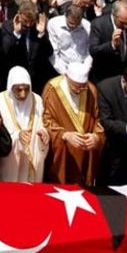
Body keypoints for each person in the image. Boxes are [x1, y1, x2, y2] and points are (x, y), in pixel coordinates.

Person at [41, 58, 106, 186]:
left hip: (85, 152)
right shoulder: (52, 89)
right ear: (66, 78)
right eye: (75, 87)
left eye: (82, 88)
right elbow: (45, 120)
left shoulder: (91, 90)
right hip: (62, 153)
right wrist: (64, 135)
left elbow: (98, 119)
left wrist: (97, 137)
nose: (79, 90)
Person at [0, 66, 50, 182]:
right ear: (10, 87)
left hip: (32, 159)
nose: (23, 94)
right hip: (11, 160)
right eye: (18, 90)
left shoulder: (37, 100)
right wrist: (16, 135)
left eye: (26, 89)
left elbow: (42, 124)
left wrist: (44, 133)